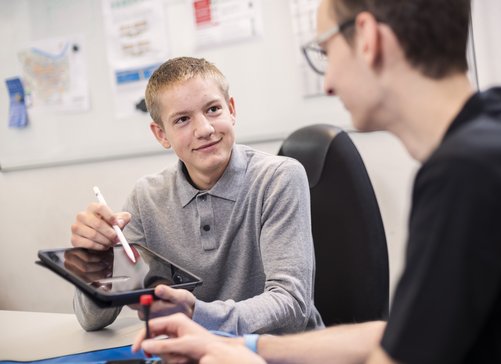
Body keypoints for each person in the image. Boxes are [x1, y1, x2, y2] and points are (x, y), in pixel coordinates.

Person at [131, 0, 501, 363]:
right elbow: (404, 335)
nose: (327, 82)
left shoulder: (467, 176)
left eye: (324, 52)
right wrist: (253, 349)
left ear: (366, 38)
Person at [70, 57, 323, 335]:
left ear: (232, 110)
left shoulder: (278, 178)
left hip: (279, 353)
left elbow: (292, 304)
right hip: (196, 352)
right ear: (160, 134)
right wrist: (97, 262)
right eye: (182, 119)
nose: (204, 129)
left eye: (213, 109)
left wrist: (194, 314)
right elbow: (92, 319)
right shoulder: (146, 197)